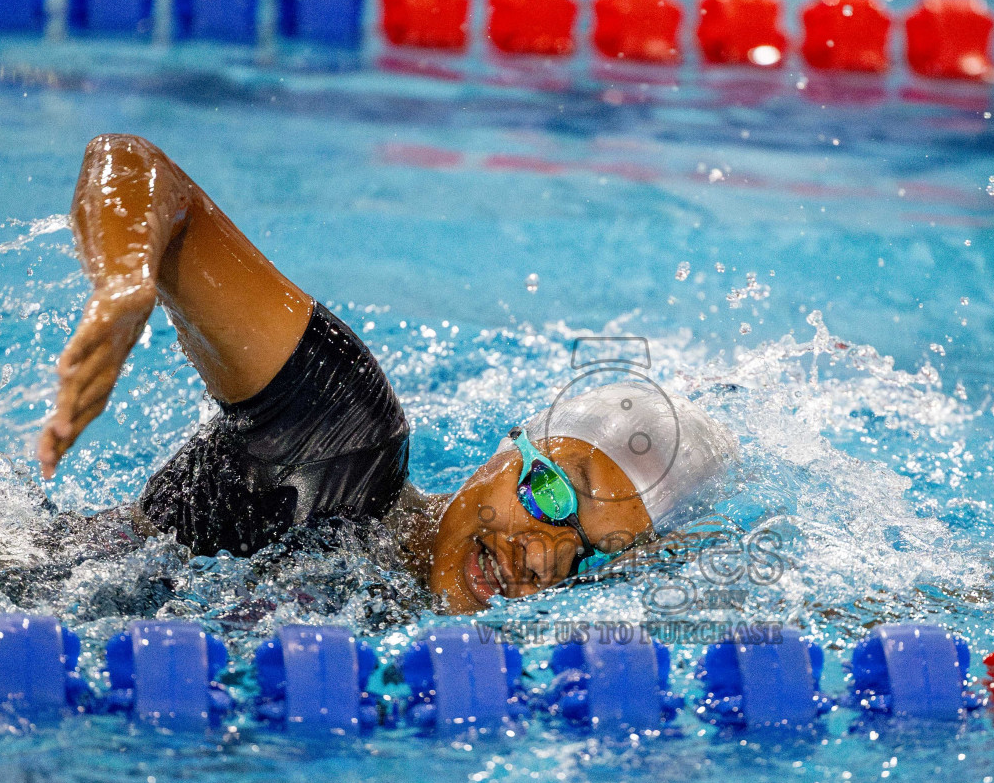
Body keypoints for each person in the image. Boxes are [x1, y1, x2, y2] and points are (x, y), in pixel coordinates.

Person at [39, 134, 737, 614]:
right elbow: (136, 167)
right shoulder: (339, 440)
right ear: (508, 448)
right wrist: (126, 285)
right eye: (551, 494)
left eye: (587, 554)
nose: (540, 556)